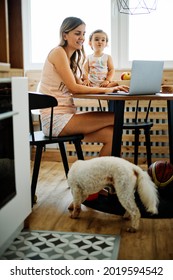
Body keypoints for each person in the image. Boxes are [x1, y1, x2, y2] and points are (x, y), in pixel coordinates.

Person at [39, 17, 129, 157]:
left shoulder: (72, 58)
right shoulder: (58, 52)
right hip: (55, 120)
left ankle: (101, 178)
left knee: (112, 135)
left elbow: (80, 86)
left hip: (67, 116)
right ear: (64, 35)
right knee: (116, 118)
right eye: (77, 33)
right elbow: (74, 88)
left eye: (83, 33)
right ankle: (100, 176)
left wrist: (107, 84)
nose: (81, 37)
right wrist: (107, 90)